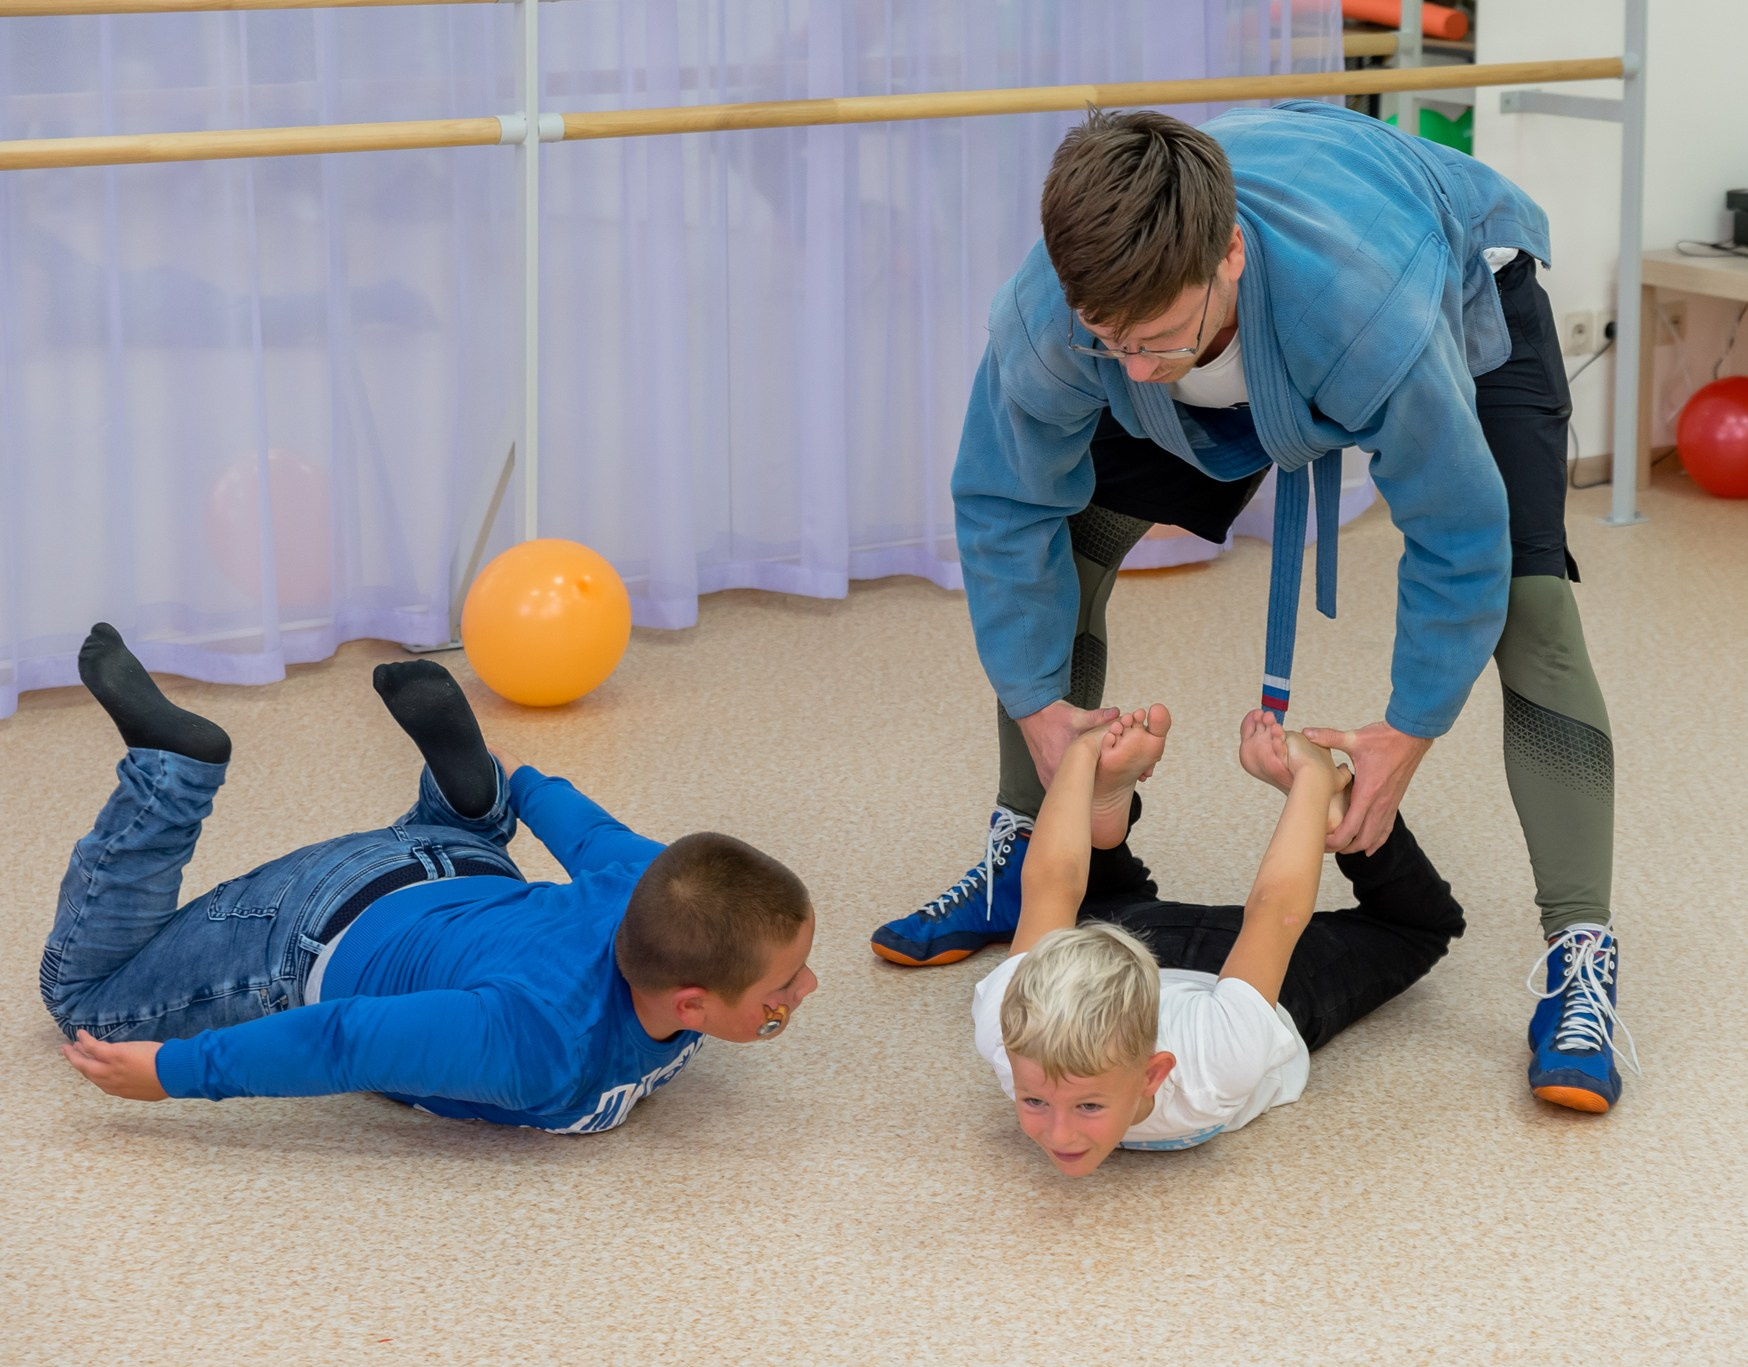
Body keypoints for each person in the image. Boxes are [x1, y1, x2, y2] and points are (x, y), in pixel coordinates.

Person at [874, 102, 1639, 1112]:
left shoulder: (1367, 312)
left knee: (1527, 604)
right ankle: (1022, 852)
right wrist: (1035, 706)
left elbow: (1458, 539)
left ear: (1227, 254)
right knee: (1066, 545)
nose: (1134, 368)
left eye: (1152, 339)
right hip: (1250, 323)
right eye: (1110, 344)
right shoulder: (1062, 319)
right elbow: (1004, 504)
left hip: (1447, 281)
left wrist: (1405, 731)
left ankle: (1578, 950)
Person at [45, 625, 818, 1133]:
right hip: (314, 923)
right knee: (83, 1000)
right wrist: (172, 1072)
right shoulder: (537, 1044)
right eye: (784, 985)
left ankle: (469, 795)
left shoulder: (658, 884)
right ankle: (171, 772)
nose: (808, 987)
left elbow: (589, 832)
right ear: (691, 1002)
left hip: (459, 868)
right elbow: (344, 1039)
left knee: (486, 886)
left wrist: (518, 778)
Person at [973, 702, 1466, 1176]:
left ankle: (1108, 824)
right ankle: (1104, 827)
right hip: (1134, 941)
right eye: (1034, 1099)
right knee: (1096, 909)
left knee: (1419, 929)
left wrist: (1313, 790)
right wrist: (1078, 756)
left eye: (1088, 1105)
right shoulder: (1011, 1028)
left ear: (1154, 1073)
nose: (1059, 1134)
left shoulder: (1213, 1065)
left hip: (1207, 970)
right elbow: (1052, 890)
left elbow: (1276, 915)